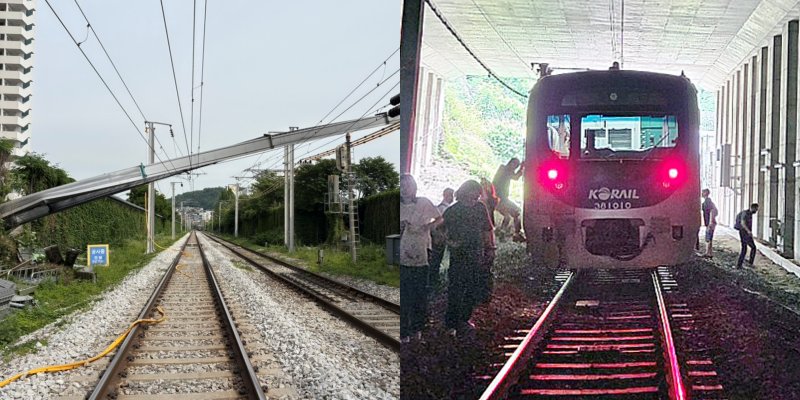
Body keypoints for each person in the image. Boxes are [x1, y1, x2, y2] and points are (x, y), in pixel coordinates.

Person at [443, 180, 495, 335]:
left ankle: (464, 319)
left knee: (472, 288)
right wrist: (450, 242)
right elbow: (439, 229)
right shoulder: (453, 211)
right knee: (456, 289)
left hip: (476, 254)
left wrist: (490, 248)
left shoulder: (480, 208)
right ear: (465, 192)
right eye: (473, 193)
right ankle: (451, 323)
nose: (475, 197)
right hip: (459, 255)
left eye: (477, 194)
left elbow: (487, 230)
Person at [400, 174, 441, 340]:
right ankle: (403, 330)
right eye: (402, 186)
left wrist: (428, 227)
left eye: (408, 186)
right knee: (403, 293)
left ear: (414, 187)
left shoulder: (424, 203)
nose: (405, 189)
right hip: (400, 254)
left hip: (421, 254)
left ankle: (417, 327)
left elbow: (440, 217)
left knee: (419, 293)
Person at [429, 188, 454, 291]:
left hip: (436, 238)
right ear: (446, 195)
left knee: (434, 261)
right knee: (436, 261)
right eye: (451, 195)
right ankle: (433, 283)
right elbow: (438, 226)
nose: (452, 197)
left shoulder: (438, 208)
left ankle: (432, 281)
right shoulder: (446, 210)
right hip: (440, 239)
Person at [492, 158, 524, 240]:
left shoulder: (504, 169)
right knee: (516, 212)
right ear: (510, 163)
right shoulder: (505, 169)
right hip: (501, 198)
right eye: (514, 165)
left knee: (507, 217)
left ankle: (502, 233)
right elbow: (516, 177)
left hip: (497, 198)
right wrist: (522, 168)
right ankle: (517, 234)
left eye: (516, 166)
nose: (514, 167)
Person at [734, 203, 759, 268]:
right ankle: (748, 263)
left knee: (744, 248)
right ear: (752, 208)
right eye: (756, 209)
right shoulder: (746, 213)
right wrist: (748, 231)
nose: (756, 211)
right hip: (744, 233)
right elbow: (743, 223)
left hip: (744, 232)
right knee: (752, 247)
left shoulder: (749, 214)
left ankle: (739, 265)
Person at [701, 189, 718, 258]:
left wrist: (710, 222)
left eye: (702, 192)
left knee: (708, 237)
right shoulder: (708, 201)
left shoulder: (707, 202)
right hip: (710, 222)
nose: (701, 193)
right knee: (709, 237)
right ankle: (709, 253)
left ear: (705, 193)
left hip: (710, 223)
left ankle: (708, 253)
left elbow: (712, 211)